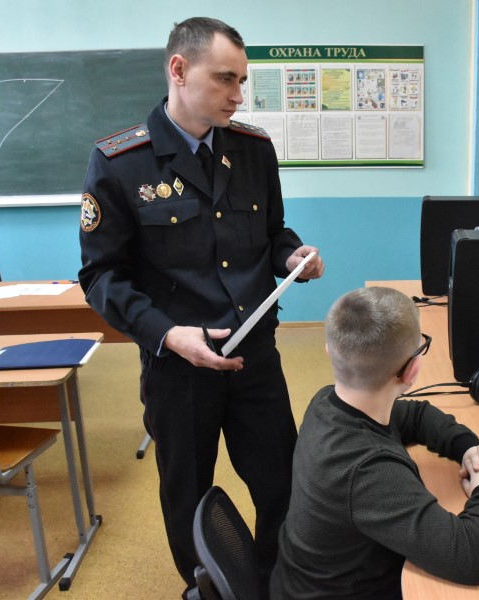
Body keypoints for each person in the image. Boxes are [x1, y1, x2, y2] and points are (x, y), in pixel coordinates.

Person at [77, 17, 325, 598]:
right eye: (224, 79)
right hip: (179, 367)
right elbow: (101, 276)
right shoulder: (121, 161)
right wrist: (167, 335)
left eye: (242, 81)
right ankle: (207, 590)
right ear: (179, 70)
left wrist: (292, 255)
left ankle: (272, 584)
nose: (238, 95)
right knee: (187, 495)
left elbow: (273, 233)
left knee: (282, 485)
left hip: (254, 355)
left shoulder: (253, 149)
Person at [271, 287, 479, 599]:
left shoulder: (326, 401)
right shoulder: (367, 470)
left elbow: (416, 415)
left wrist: (468, 448)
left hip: (303, 579)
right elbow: (469, 556)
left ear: (329, 351)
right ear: (412, 371)